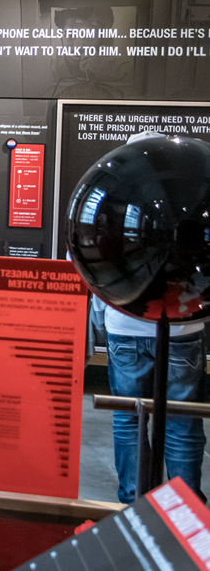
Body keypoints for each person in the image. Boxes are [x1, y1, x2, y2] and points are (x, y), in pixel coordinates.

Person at [104, 130, 206, 503]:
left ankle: (133, 501)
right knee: (182, 421)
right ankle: (186, 506)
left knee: (129, 417)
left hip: (125, 328)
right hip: (182, 328)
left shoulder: (118, 198)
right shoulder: (188, 198)